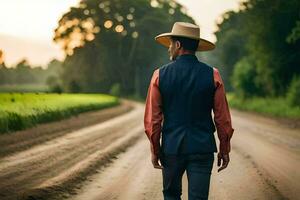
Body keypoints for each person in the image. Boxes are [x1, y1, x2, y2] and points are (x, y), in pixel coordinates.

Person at [144, 22, 234, 200]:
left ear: (178, 45)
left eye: (170, 44)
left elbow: (152, 121)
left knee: (171, 196)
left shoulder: (159, 75)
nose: (169, 49)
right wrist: (224, 147)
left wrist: (155, 149)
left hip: (171, 149)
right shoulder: (213, 74)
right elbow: (222, 118)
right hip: (202, 147)